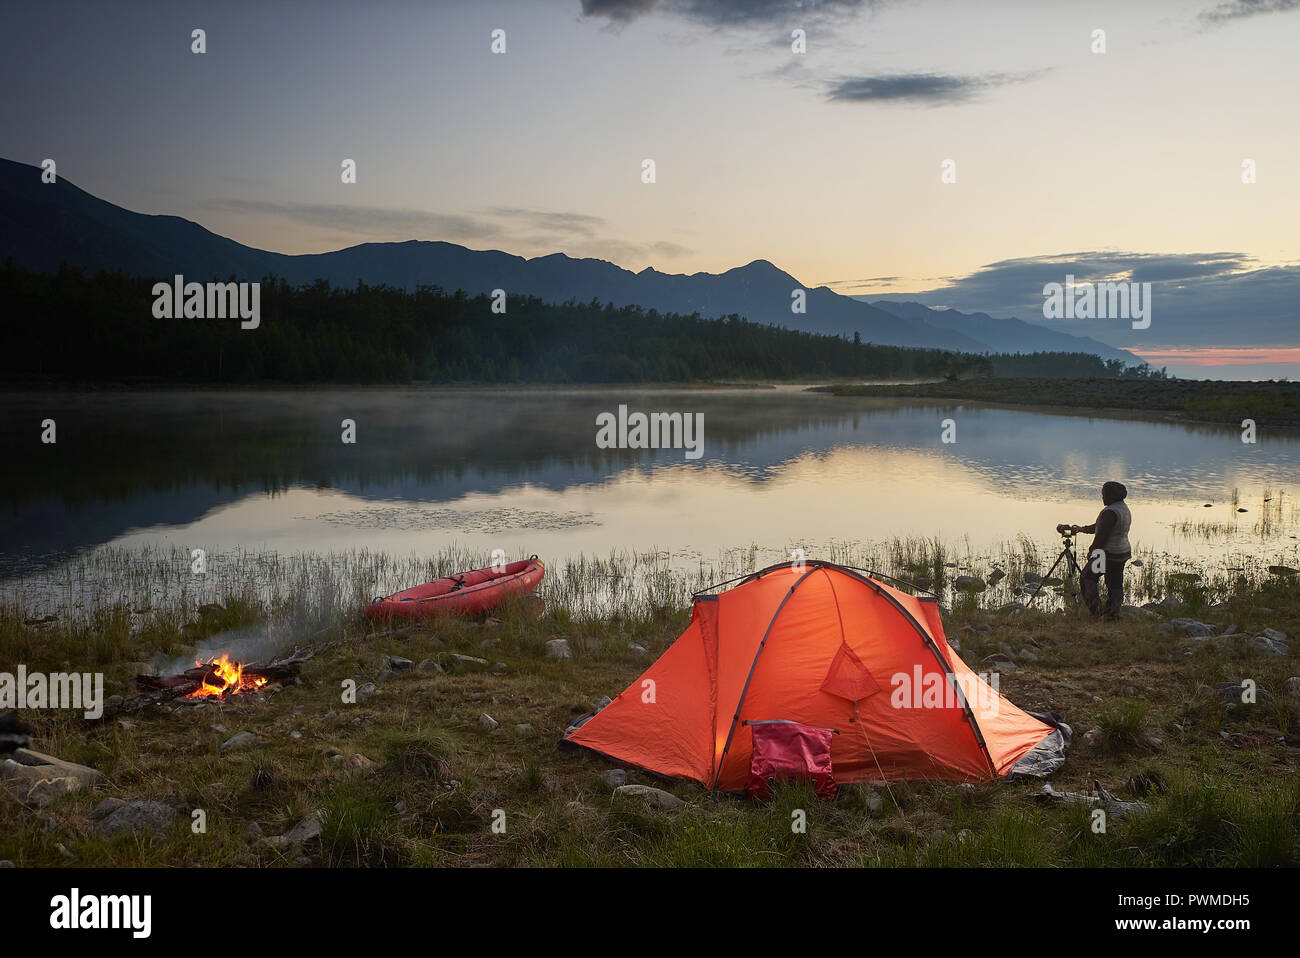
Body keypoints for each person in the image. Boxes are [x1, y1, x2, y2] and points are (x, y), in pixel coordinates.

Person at [1071, 481, 1132, 617]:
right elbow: (1099, 526)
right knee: (1115, 583)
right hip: (1121, 552)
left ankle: (1096, 611)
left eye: (1104, 494)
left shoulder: (1110, 512)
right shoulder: (1122, 508)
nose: (1102, 497)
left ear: (1111, 496)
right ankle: (1112, 614)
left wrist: (1092, 550)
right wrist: (1083, 529)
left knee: (1088, 578)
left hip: (1107, 555)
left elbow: (1102, 535)